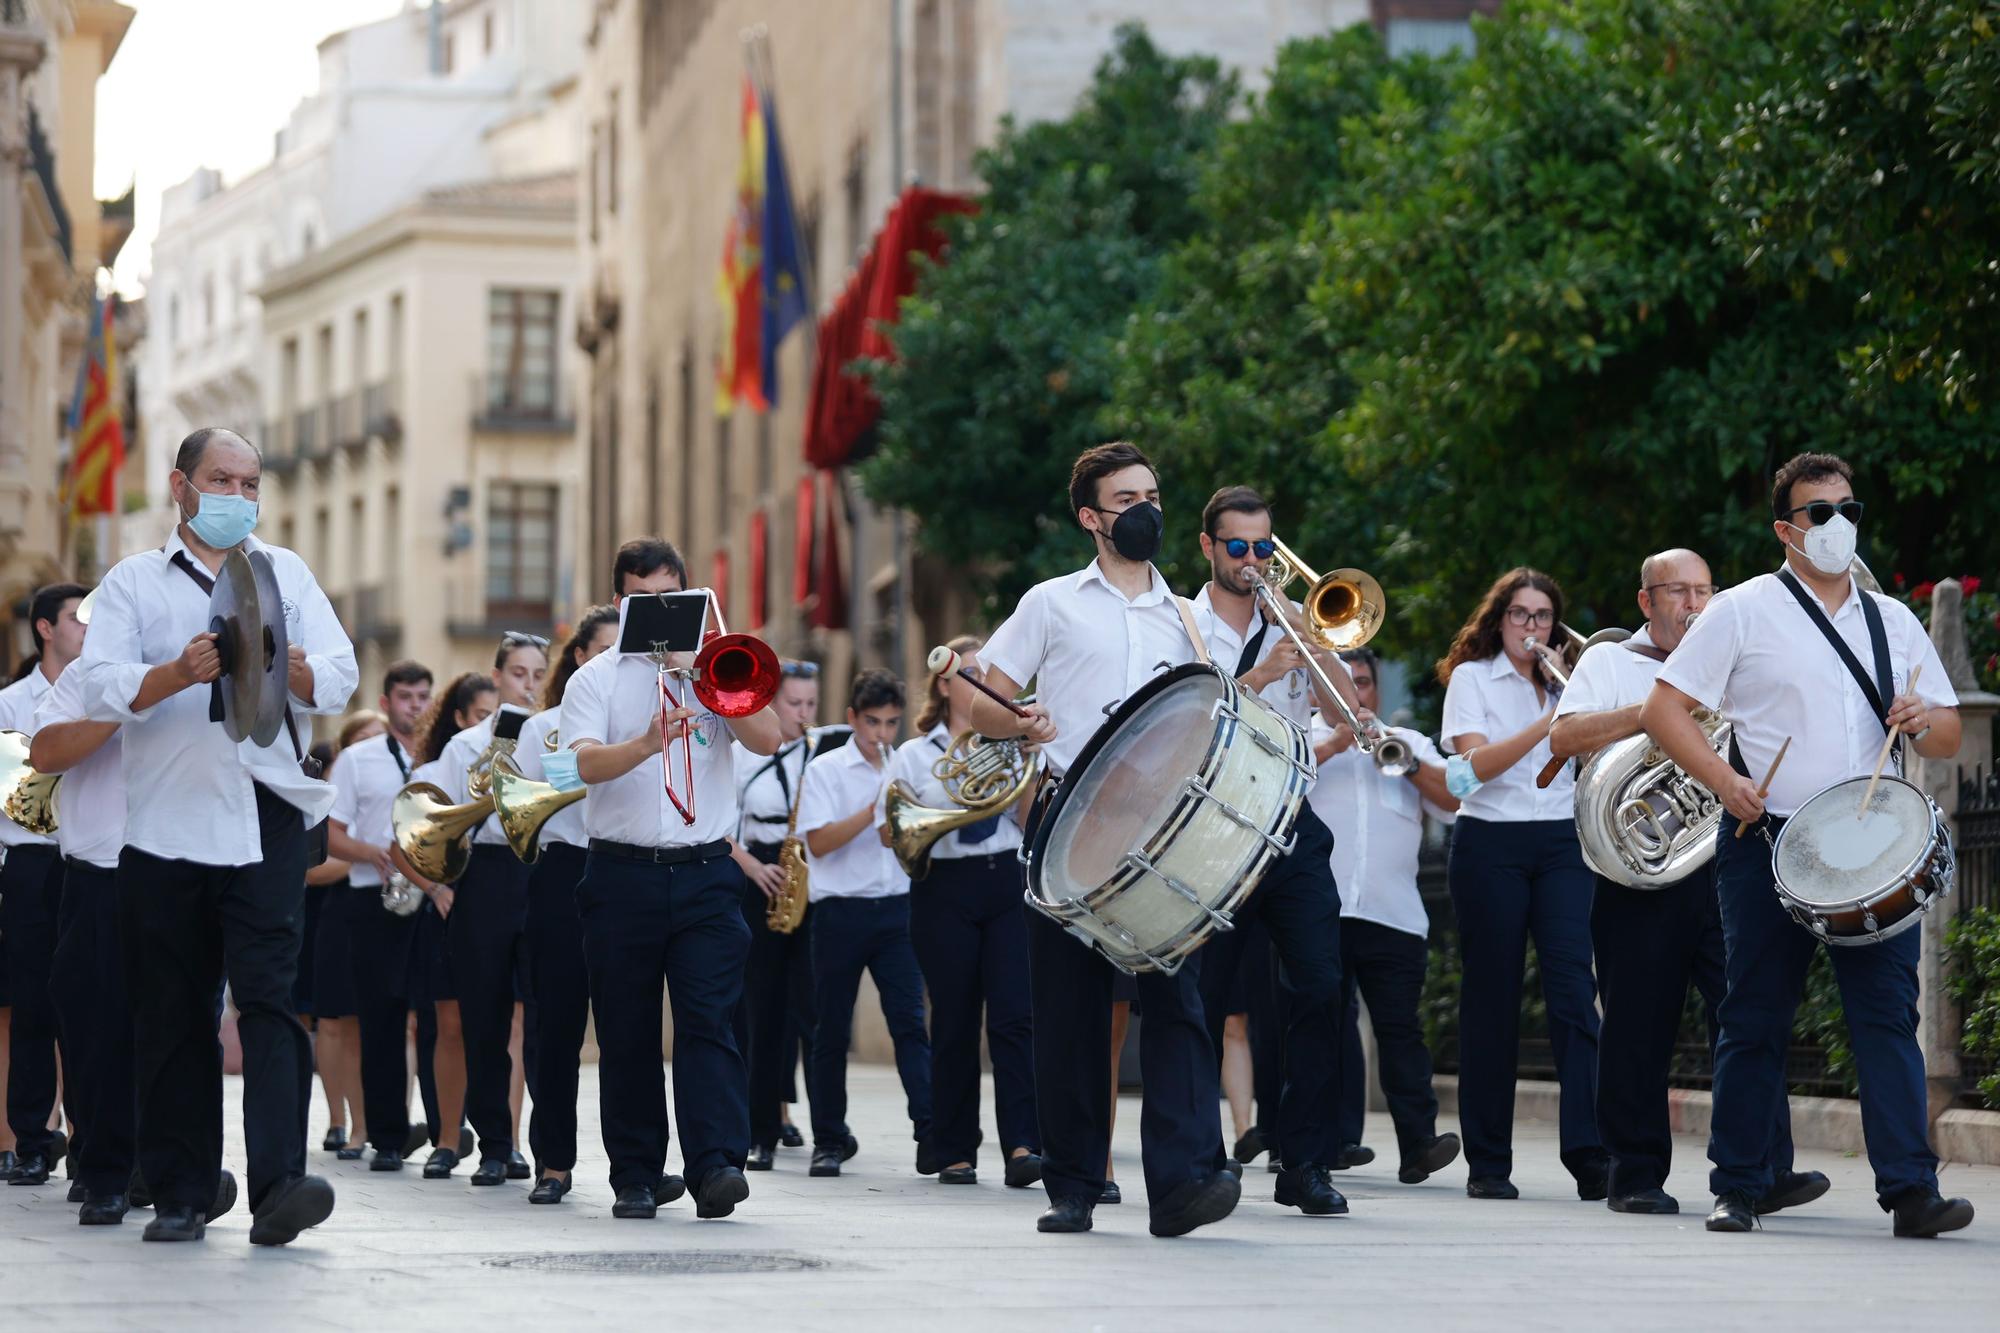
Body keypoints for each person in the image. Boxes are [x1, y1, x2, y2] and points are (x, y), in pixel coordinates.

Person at [1642, 452, 1971, 1238]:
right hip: (1769, 836)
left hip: (1870, 840)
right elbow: (1664, 709)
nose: (1838, 526)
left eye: (1848, 510)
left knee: (1887, 1015)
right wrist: (1726, 781)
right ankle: (1740, 1184)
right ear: (1786, 528)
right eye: (1820, 513)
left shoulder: (1892, 618)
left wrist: (1925, 716)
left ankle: (1911, 1190)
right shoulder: (1744, 609)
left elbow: (1954, 732)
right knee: (1753, 1013)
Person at [73, 427, 356, 1245]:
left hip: (265, 814)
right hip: (163, 823)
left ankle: (279, 1185)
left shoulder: (285, 573)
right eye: (220, 478)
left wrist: (288, 663)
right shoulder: (131, 583)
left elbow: (340, 675)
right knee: (173, 1012)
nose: (238, 494)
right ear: (181, 486)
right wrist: (177, 672)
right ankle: (184, 1190)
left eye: (250, 481)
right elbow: (99, 685)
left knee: (270, 1000)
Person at [971, 441, 1239, 1238]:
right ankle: (1076, 1182)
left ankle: (1184, 1181)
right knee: (1072, 1012)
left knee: (1179, 1002)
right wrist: (1018, 723)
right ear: (1091, 517)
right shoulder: (1051, 602)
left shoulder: (1190, 616)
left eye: (1152, 493)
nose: (1145, 509)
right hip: (1068, 826)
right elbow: (981, 696)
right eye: (1126, 498)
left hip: (1166, 835)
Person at [1549, 549, 1812, 1217]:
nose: (1694, 603)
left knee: (1754, 1014)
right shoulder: (1610, 661)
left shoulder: (1729, 661)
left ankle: (1763, 1167)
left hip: (1728, 857)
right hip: (1641, 870)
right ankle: (1634, 1172)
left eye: (1704, 589)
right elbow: (1563, 737)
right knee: (1638, 1023)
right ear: (1646, 601)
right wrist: (1649, 713)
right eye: (1677, 591)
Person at [565, 545, 781, 1220]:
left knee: (710, 1020)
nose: (660, 612)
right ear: (622, 603)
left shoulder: (720, 666)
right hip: (620, 872)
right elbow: (578, 768)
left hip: (706, 873)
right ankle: (635, 1173)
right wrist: (644, 744)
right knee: (626, 1030)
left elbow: (767, 737)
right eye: (644, 599)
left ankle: (716, 1163)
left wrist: (707, 675)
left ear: (691, 598)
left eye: (672, 598)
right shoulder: (597, 679)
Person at [1186, 487, 1364, 1216]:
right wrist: (1260, 672)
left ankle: (1306, 1161)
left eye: (1264, 547)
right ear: (1209, 548)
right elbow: (1187, 715)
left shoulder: (1293, 618)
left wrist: (1315, 645)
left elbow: (1347, 713)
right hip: (1214, 830)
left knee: (1322, 990)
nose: (1255, 561)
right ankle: (1199, 1159)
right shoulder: (1183, 622)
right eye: (1239, 547)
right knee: (1201, 1002)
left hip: (1291, 822)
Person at [1436, 567, 1607, 1202]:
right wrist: (1552, 721)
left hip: (1563, 839)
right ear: (1498, 619)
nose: (1530, 628)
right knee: (1492, 1000)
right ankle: (1488, 1162)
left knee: (1572, 993)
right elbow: (1470, 771)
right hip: (1491, 841)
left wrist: (1576, 704)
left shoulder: (1575, 683)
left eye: (1541, 617)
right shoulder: (1472, 680)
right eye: (1519, 615)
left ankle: (1590, 1155)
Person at [879, 636, 1040, 1188]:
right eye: (966, 673)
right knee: (952, 1020)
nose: (975, 680)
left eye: (983, 672)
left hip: (1003, 880)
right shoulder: (914, 754)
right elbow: (891, 827)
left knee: (1015, 1017)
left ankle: (1024, 1144)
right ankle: (952, 1149)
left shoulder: (1011, 743)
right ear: (944, 684)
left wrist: (1028, 760)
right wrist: (949, 809)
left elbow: (1024, 818)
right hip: (942, 885)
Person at [1311, 647, 1462, 1186]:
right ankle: (1318, 1143)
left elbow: (1454, 800)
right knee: (1319, 1030)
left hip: (1393, 915)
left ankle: (1418, 1144)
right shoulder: (1301, 739)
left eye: (1364, 684)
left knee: (1401, 1032)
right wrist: (1333, 744)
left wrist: (1408, 761)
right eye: (1342, 684)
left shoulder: (1410, 742)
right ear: (1318, 689)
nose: (1355, 695)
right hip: (1319, 914)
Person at [31, 585, 150, 1223]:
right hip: (96, 875)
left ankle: (159, 1169)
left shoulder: (196, 675)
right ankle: (102, 1168)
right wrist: (124, 706)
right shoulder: (84, 677)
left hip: (176, 871)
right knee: (92, 1028)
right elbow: (44, 753)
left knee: (169, 1030)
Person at [796, 669, 934, 1179]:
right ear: (852, 718)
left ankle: (930, 1133)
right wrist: (873, 806)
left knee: (910, 1027)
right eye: (872, 722)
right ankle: (829, 1140)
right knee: (829, 1031)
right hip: (840, 912)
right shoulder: (827, 770)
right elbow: (820, 843)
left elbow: (898, 841)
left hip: (897, 910)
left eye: (891, 723)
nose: (881, 734)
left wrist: (893, 816)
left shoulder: (906, 765)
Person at [429, 633, 548, 1187]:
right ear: (498, 676)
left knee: (538, 1014)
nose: (528, 683)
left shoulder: (557, 736)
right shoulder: (463, 747)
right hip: (486, 874)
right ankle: (494, 1144)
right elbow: (446, 825)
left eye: (537, 674)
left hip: (542, 873)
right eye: (518, 673)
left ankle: (535, 1143)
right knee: (483, 1016)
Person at [512, 603, 619, 1204]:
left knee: (622, 1025)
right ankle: (554, 1160)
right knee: (555, 1025)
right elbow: (522, 807)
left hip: (621, 862)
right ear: (579, 657)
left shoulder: (647, 718)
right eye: (603, 651)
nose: (612, 663)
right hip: (561, 867)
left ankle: (636, 1164)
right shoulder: (541, 725)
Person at [326, 661, 436, 1174]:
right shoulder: (356, 758)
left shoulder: (443, 754)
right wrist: (373, 852)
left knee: (441, 1017)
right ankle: (388, 1135)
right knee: (382, 1021)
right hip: (374, 898)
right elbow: (330, 833)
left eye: (422, 697)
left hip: (434, 897)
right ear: (387, 702)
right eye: (406, 697)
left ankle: (446, 1133)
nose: (415, 705)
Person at [0, 582, 86, 1187]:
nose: (90, 629)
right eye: (78, 619)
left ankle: (89, 1138)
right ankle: (31, 1139)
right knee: (31, 1007)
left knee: (92, 1004)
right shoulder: (10, 704)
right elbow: (10, 797)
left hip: (90, 859)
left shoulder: (108, 694)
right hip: (32, 862)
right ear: (45, 629)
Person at [729, 658, 827, 1170]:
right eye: (794, 704)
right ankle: (760, 1129)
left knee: (814, 1009)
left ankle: (829, 1128)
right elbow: (723, 825)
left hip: (806, 880)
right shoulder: (746, 757)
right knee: (761, 1012)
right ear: (772, 703)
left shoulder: (822, 754)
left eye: (812, 704)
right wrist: (752, 868)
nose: (804, 714)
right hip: (759, 876)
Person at [402, 672, 497, 1178]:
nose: (491, 723)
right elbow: (405, 842)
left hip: (500, 892)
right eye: (483, 715)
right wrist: (437, 890)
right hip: (450, 899)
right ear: (460, 719)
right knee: (450, 1024)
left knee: (514, 1023)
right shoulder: (440, 767)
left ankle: (509, 1140)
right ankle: (446, 1137)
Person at [309, 710, 385, 1162]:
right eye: (364, 742)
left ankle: (367, 1122)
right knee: (333, 1022)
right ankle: (341, 1121)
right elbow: (313, 865)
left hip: (371, 906)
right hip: (332, 911)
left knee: (368, 1023)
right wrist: (367, 857)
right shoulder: (329, 793)